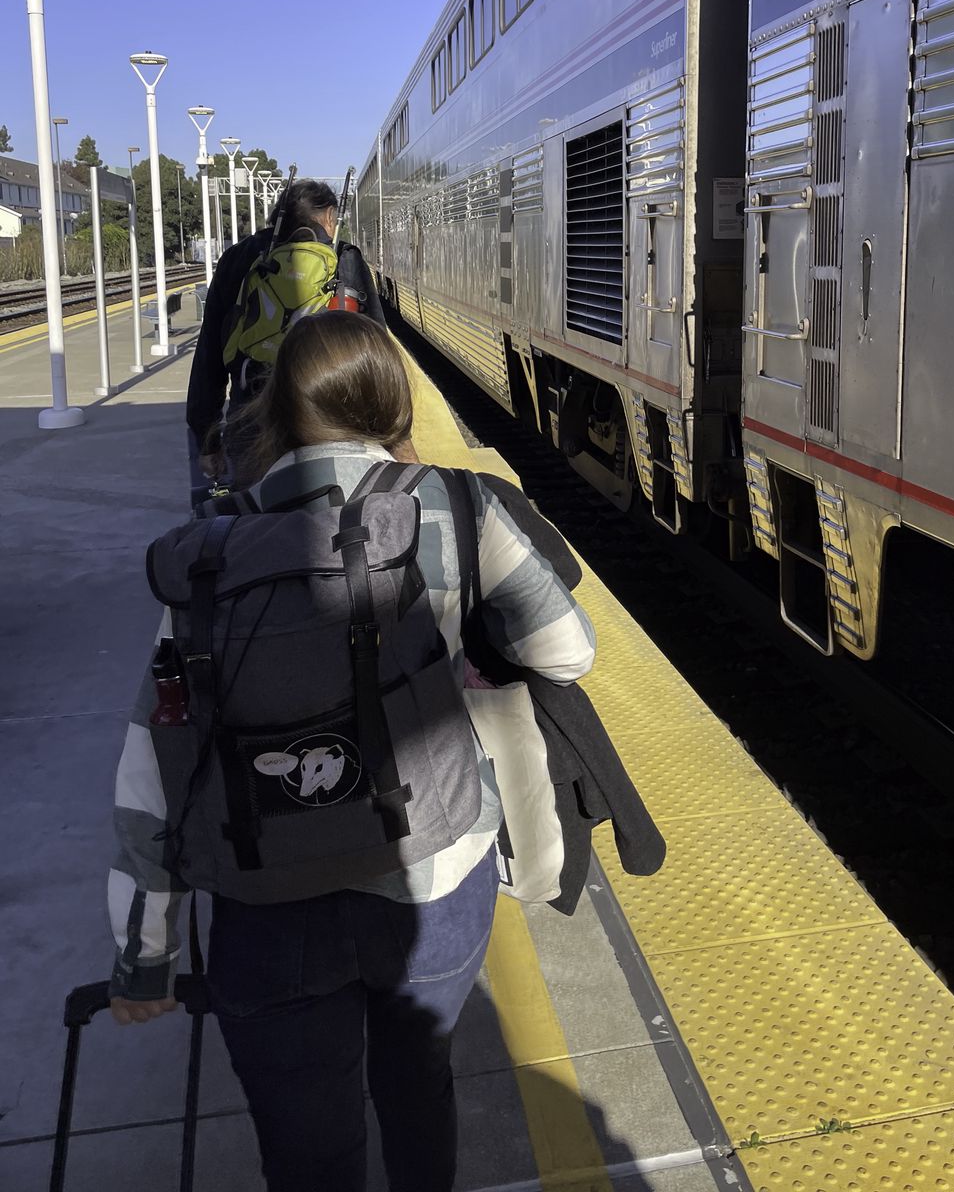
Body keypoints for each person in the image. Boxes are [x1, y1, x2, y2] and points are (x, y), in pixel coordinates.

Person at [109, 311, 596, 1192]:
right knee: (418, 1090)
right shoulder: (455, 503)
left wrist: (145, 954)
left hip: (266, 906)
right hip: (436, 883)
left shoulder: (209, 562)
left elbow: (155, 769)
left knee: (307, 1144)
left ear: (277, 419)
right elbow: (568, 652)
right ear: (391, 402)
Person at [186, 178, 386, 478]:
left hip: (252, 426)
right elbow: (378, 352)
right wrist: (389, 435)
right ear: (330, 217)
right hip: (335, 426)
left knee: (259, 518)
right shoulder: (344, 259)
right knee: (334, 517)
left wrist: (208, 442)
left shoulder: (238, 258)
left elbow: (209, 356)